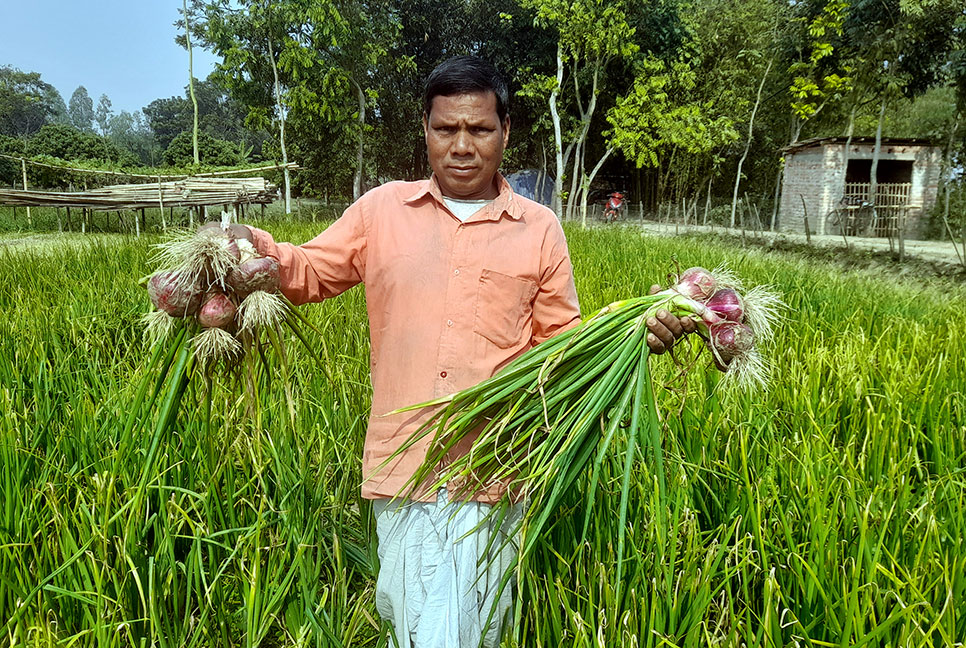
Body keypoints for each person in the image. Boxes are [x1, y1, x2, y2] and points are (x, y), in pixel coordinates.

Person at [222, 55, 694, 648]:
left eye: (479, 129)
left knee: (462, 630)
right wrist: (250, 251)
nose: (462, 145)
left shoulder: (539, 227)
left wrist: (632, 334)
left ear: (505, 133)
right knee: (410, 617)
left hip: (492, 467)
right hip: (404, 464)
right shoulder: (381, 211)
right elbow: (311, 269)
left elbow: (562, 345)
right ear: (425, 131)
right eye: (446, 130)